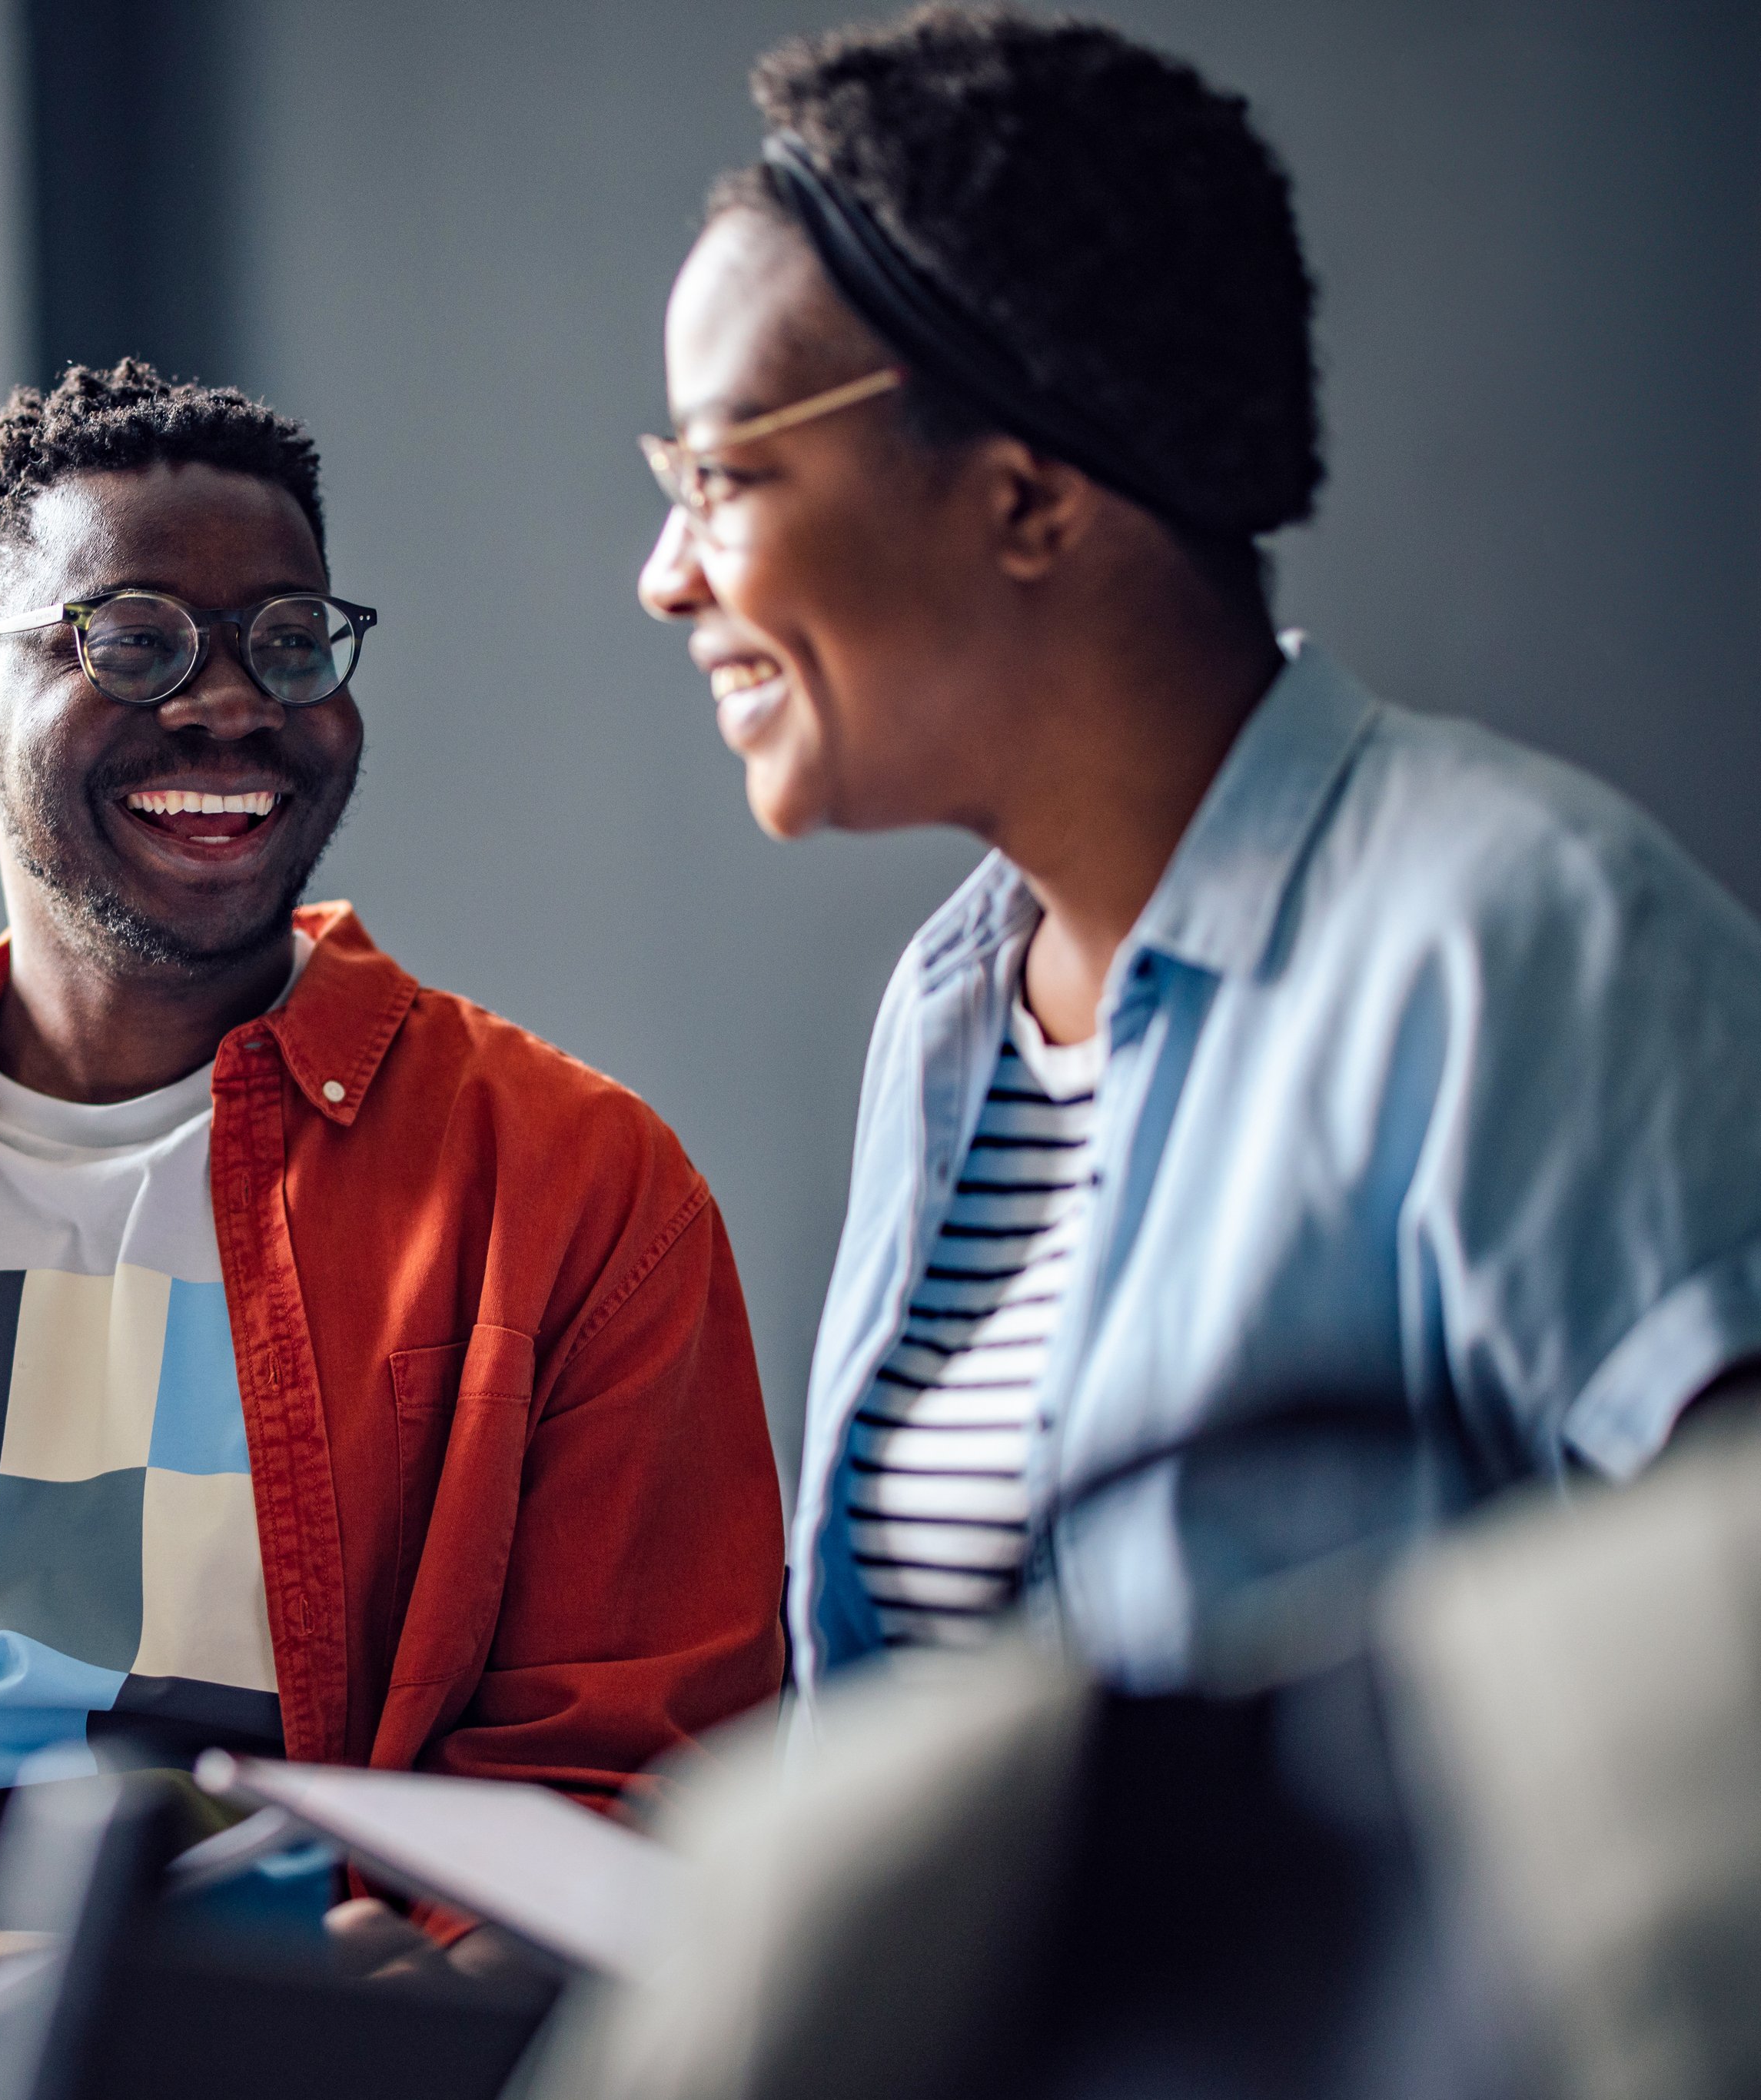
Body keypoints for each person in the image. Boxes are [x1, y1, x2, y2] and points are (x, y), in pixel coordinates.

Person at [0, 361, 786, 2037]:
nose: (232, 702)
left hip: (289, 2045)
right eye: (133, 641)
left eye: (290, 639)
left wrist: (405, 1993)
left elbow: (635, 1763)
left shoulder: (580, 1186)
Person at [633, 9, 1761, 1699]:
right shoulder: (948, 1018)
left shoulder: (1520, 940)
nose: (665, 573)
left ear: (1023, 498)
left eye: (720, 472)